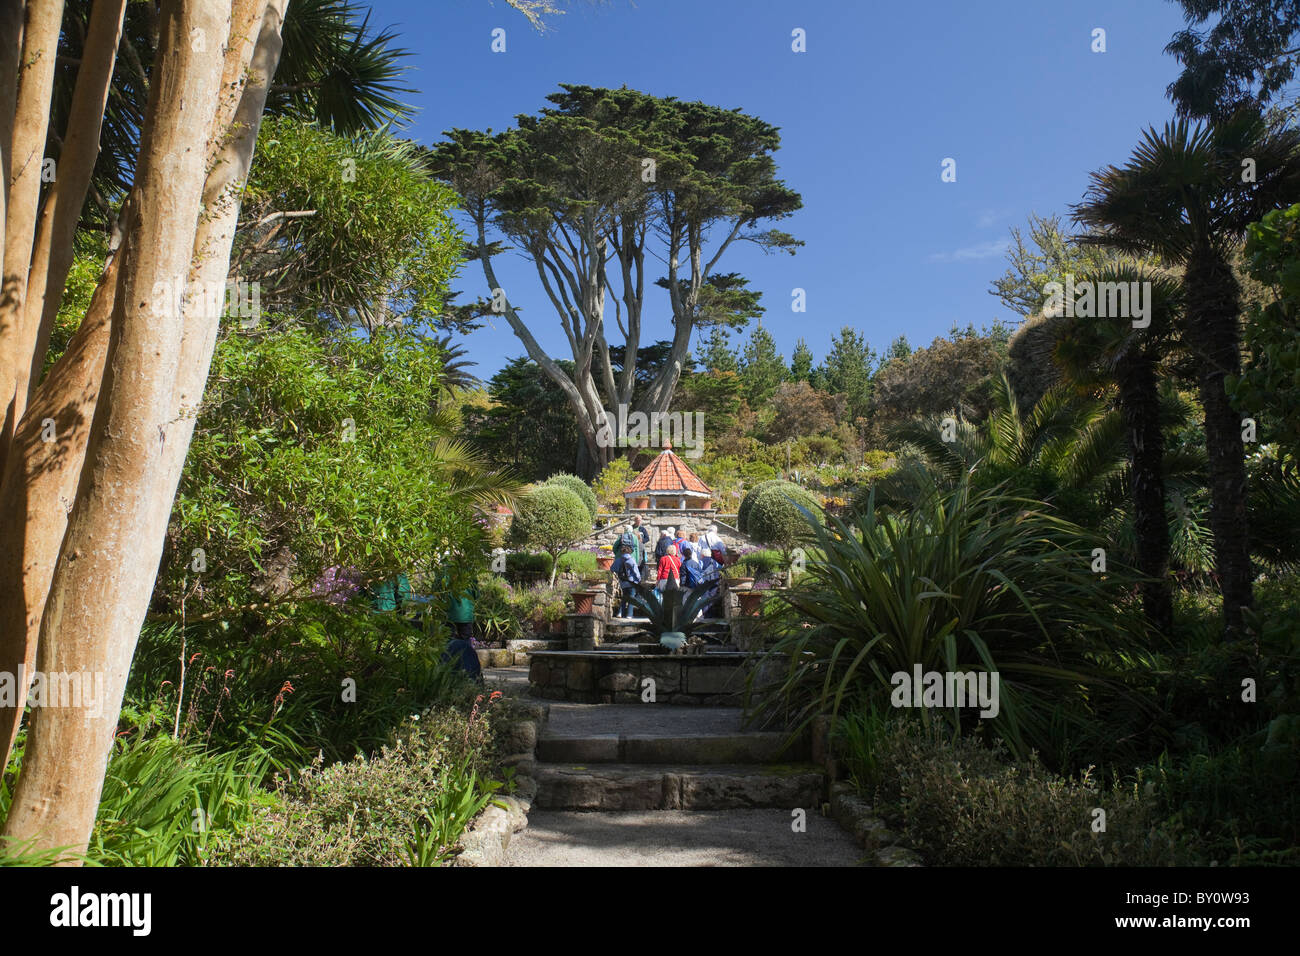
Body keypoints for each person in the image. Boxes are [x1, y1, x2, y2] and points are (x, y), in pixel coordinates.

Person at [611, 543, 642, 618]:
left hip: (623, 582)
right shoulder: (631, 560)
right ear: (630, 552)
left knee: (624, 598)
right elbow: (636, 572)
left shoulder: (618, 560)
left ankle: (620, 613)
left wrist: (618, 574)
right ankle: (629, 614)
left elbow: (612, 569)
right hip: (632, 582)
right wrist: (639, 580)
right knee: (631, 598)